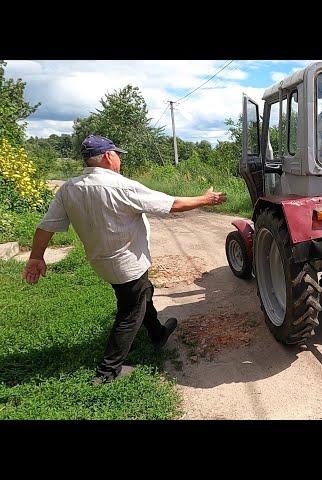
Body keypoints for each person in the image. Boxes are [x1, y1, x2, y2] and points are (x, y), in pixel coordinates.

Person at [22, 134, 227, 385]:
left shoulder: (69, 188)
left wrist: (36, 256)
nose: (119, 160)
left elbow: (46, 227)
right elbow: (172, 205)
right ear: (108, 156)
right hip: (127, 263)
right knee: (130, 312)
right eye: (117, 154)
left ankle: (157, 333)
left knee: (142, 294)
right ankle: (107, 372)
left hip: (101, 262)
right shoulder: (122, 186)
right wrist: (206, 199)